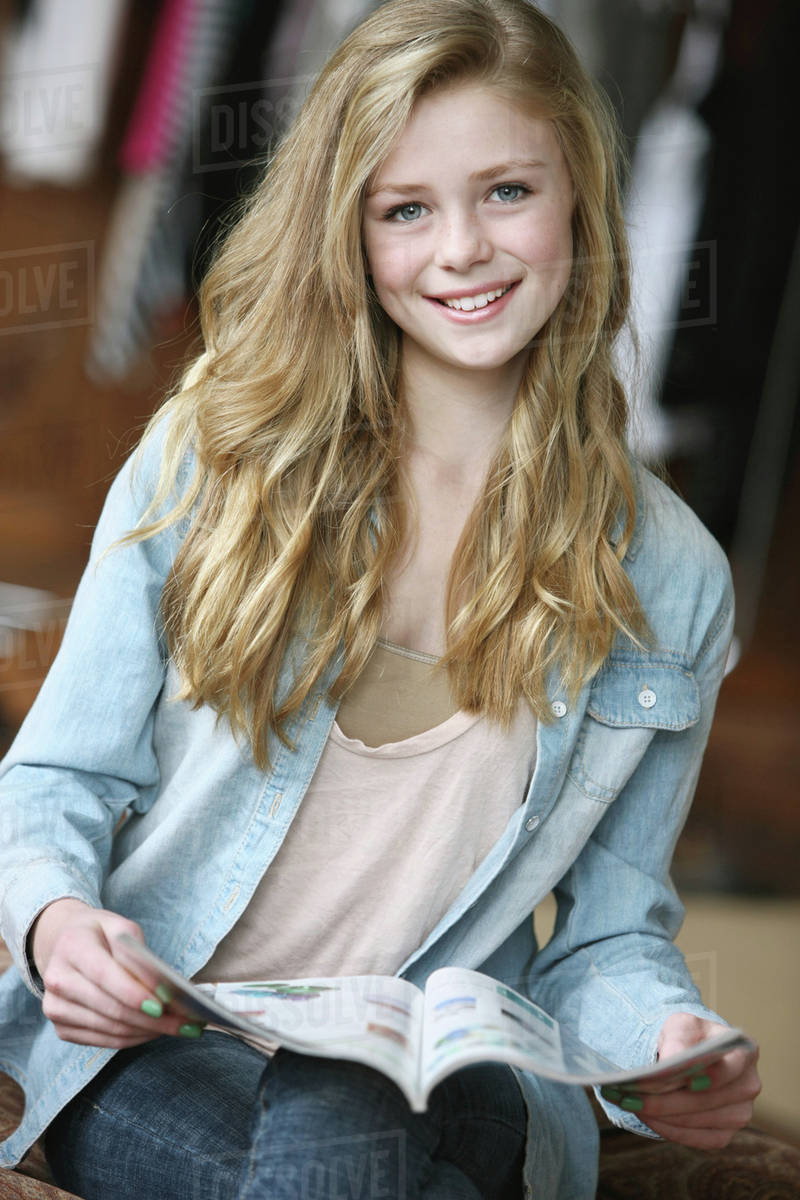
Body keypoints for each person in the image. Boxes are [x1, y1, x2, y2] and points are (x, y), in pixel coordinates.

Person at [0, 1, 761, 1197]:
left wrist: (665, 1041)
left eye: (506, 192)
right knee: (338, 1129)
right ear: (347, 236)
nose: (461, 248)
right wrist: (56, 922)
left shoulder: (672, 580)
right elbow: (57, 779)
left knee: (346, 1078)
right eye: (405, 210)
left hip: (452, 1080)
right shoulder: (213, 457)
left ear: (577, 199)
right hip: (163, 1054)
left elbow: (609, 934)